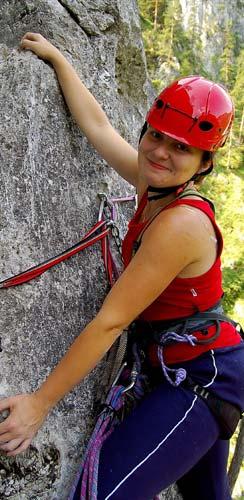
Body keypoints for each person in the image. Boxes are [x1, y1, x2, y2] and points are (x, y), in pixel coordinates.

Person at [0, 33, 243, 500]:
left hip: (200, 379)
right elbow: (99, 127)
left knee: (101, 495)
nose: (160, 153)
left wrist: (39, 404)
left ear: (203, 163)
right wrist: (58, 58)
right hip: (187, 364)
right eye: (156, 136)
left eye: (181, 149)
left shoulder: (181, 223)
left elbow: (111, 321)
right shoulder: (155, 184)